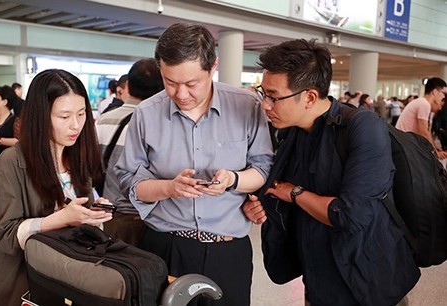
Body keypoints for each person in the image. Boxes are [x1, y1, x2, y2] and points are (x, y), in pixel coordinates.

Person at [242, 39, 420, 306]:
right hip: (319, 281)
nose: (265, 105)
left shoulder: (362, 128)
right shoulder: (290, 134)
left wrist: (294, 193)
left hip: (369, 284)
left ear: (310, 97)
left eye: (273, 96)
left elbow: (351, 214)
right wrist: (262, 206)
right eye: (262, 93)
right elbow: (275, 189)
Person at [115, 23, 273, 306]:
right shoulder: (146, 114)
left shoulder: (246, 106)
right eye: (170, 82)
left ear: (213, 67)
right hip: (166, 247)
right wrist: (169, 188)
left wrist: (234, 180)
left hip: (228, 250)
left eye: (191, 83)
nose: (181, 94)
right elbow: (128, 180)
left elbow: (262, 167)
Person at [0, 69, 113, 306]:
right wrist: (62, 218)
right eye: (64, 117)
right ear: (40, 116)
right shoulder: (13, 161)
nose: (76, 125)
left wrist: (92, 213)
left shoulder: (77, 158)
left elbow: (78, 220)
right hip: (24, 285)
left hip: (69, 279)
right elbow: (2, 234)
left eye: (82, 114)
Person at [96, 58, 164, 246]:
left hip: (111, 216)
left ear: (129, 85)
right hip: (148, 218)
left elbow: (91, 165)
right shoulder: (159, 124)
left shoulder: (104, 120)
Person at [395, 77, 447, 159]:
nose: (444, 97)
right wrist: (436, 153)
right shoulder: (424, 104)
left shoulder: (421, 102)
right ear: (435, 91)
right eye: (443, 93)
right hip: (404, 146)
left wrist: (435, 149)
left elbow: (426, 131)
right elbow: (423, 132)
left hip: (403, 144)